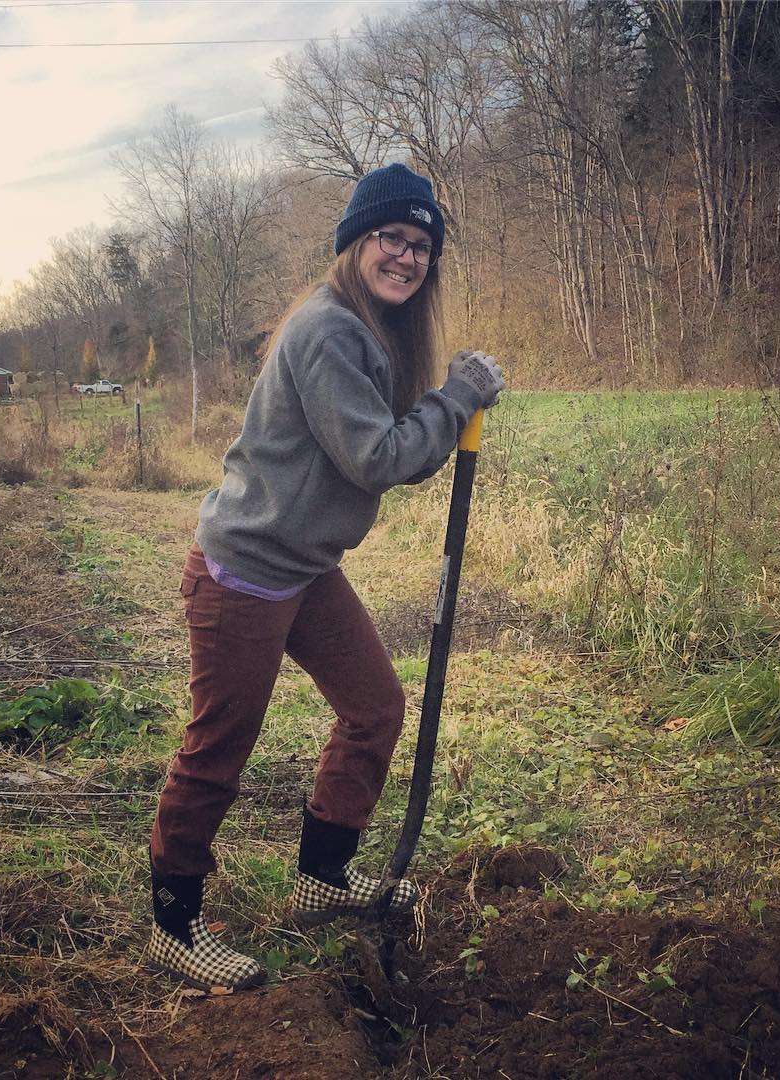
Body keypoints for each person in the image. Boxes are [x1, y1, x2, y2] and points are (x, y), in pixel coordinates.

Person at [147, 162, 505, 992]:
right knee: (218, 752)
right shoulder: (329, 331)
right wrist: (455, 398)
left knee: (374, 707)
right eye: (392, 238)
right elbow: (379, 457)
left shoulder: (368, 331)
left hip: (304, 568)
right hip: (245, 573)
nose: (407, 257)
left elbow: (391, 446)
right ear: (355, 242)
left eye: (421, 247)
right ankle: (175, 925)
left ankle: (322, 876)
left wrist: (445, 402)